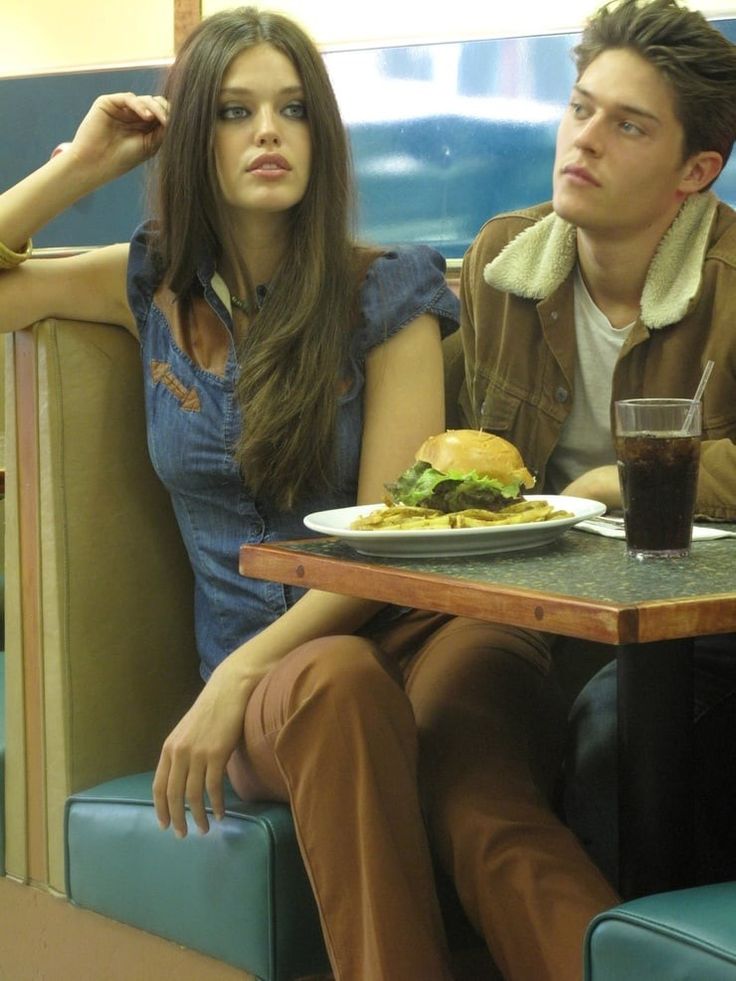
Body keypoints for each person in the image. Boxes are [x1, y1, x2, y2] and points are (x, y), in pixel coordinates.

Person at [1, 7, 617, 981]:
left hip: (425, 625)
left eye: (291, 109)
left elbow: (384, 545)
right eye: (235, 112)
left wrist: (237, 677)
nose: (268, 134)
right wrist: (79, 167)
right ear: (192, 134)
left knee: (481, 806)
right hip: (298, 678)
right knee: (335, 685)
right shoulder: (151, 287)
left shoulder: (388, 292)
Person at [458, 0, 736, 928]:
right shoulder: (501, 259)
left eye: (628, 125)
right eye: (581, 109)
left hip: (693, 622)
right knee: (433, 720)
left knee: (615, 732)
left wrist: (613, 482)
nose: (585, 140)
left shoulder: (734, 281)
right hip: (537, 603)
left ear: (696, 170)